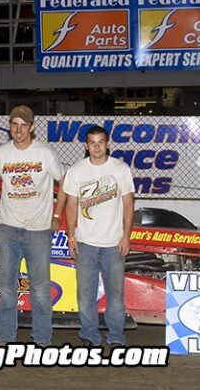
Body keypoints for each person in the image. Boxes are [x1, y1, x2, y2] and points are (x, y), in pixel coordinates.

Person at [0, 105, 65, 346]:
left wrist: (57, 215)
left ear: (32, 127)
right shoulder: (1, 153)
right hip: (7, 227)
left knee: (39, 288)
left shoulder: (45, 153)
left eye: (23, 125)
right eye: (14, 124)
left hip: (38, 230)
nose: (18, 130)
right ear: (9, 126)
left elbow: (64, 181)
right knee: (6, 288)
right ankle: (6, 337)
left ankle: (42, 338)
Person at [63, 125, 134, 348]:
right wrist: (71, 237)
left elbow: (128, 204)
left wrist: (126, 237)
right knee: (85, 295)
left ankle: (115, 336)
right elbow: (71, 205)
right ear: (86, 145)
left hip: (114, 243)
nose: (96, 146)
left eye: (100, 142)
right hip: (85, 244)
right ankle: (90, 336)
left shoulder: (120, 169)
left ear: (107, 144)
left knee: (115, 295)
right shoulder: (76, 171)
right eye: (92, 142)